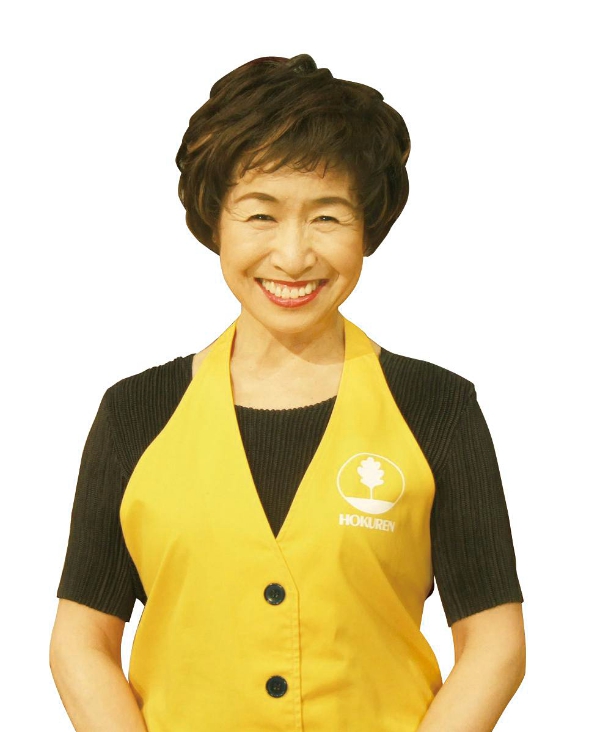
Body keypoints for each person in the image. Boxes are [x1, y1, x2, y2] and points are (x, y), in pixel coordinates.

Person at [50, 54, 525, 732]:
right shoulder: (136, 413)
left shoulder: (436, 407)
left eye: (327, 218)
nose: (294, 256)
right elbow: (81, 640)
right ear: (215, 220)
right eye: (261, 216)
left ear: (368, 228)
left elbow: (494, 642)